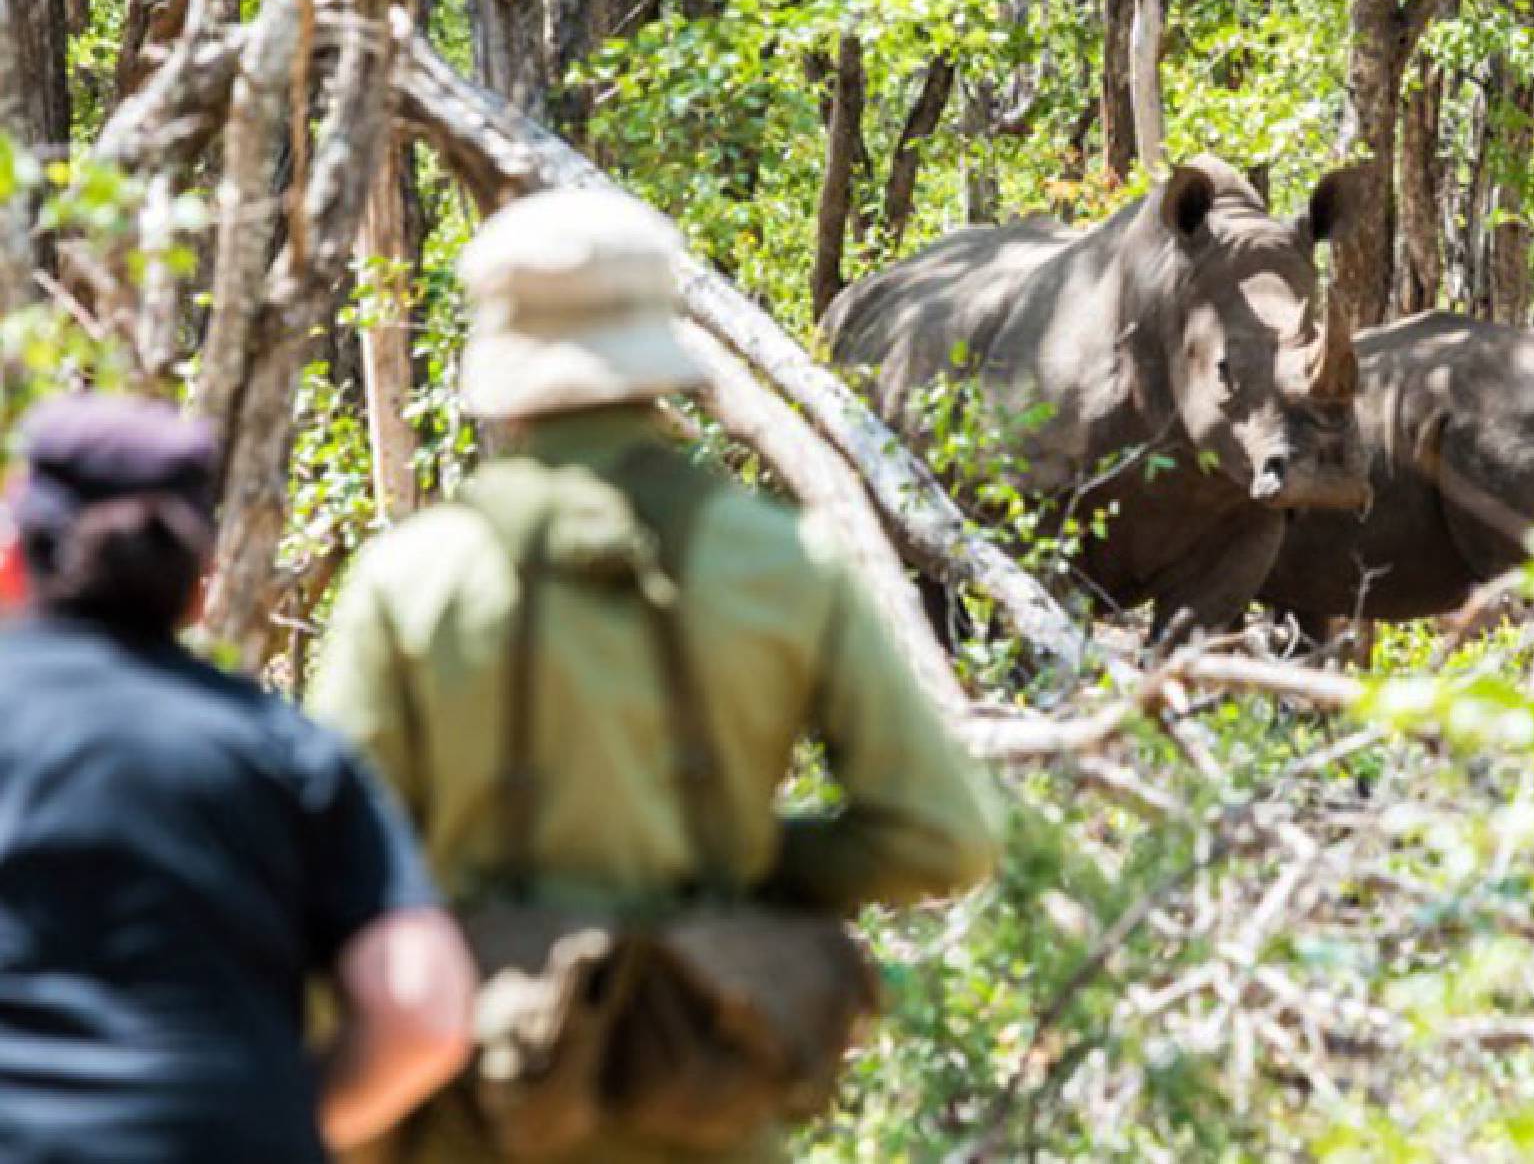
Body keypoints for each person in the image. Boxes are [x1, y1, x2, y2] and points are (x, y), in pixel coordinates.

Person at [309, 189, 1001, 1162]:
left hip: (473, 1111)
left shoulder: (409, 578)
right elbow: (944, 837)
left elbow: (324, 873)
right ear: (661, 354)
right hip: (706, 1093)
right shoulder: (784, 561)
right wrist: (753, 859)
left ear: (498, 362)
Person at [0, 393, 477, 1161]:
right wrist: (281, 1124)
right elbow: (422, 1013)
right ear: (203, 583)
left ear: (16, 559)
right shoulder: (288, 752)